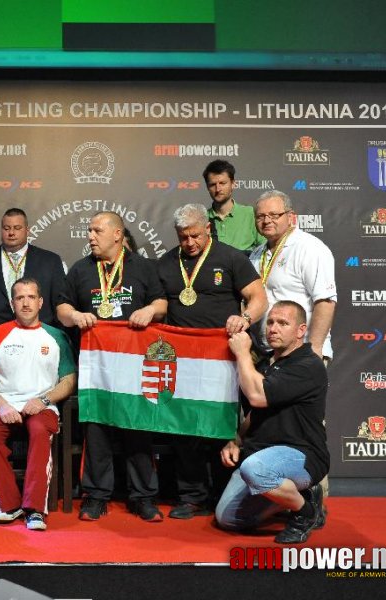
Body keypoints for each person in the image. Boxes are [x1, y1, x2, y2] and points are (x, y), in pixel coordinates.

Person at [55, 211, 168, 522]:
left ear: (117, 234)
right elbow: (62, 307)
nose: (90, 236)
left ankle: (143, 497)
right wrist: (75, 316)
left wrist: (149, 310)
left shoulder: (143, 267)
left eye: (96, 231)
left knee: (138, 429)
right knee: (97, 429)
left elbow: (162, 304)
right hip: (97, 368)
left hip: (136, 365)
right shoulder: (80, 270)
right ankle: (96, 496)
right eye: (89, 231)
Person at [157, 203, 267, 519]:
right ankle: (192, 496)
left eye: (194, 235)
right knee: (185, 429)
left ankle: (223, 493)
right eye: (182, 237)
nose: (189, 243)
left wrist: (244, 318)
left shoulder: (232, 257)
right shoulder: (166, 263)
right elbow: (161, 304)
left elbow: (259, 297)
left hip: (223, 359)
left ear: (207, 227)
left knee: (222, 426)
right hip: (184, 361)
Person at [216, 301, 328, 544]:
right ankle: (298, 494)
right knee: (228, 518)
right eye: (270, 322)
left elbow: (258, 397)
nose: (273, 329)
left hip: (301, 454)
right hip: (262, 454)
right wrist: (235, 440)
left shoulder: (308, 365)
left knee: (254, 470)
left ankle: (305, 511)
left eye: (283, 323)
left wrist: (243, 353)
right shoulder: (265, 363)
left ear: (300, 330)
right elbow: (252, 415)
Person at [0, 277, 77, 531]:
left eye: (31, 297)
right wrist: (2, 405)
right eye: (20, 298)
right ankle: (7, 505)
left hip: (43, 407)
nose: (26, 303)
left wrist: (43, 400)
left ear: (40, 302)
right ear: (12, 303)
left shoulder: (56, 337)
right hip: (5, 405)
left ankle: (34, 510)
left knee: (39, 431)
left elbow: (68, 381)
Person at [249, 190, 337, 362]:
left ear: (290, 216)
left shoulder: (310, 248)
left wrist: (314, 350)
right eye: (260, 216)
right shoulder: (256, 254)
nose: (267, 221)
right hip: (265, 353)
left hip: (300, 352)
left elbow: (325, 301)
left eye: (274, 215)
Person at [0, 208, 66, 329]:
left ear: (27, 231)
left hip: (40, 338)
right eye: (6, 228)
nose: (11, 233)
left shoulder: (51, 261)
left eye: (17, 228)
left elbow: (61, 304)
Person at [203, 160, 264, 254]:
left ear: (233, 184)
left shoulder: (250, 214)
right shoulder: (202, 219)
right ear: (207, 187)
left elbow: (265, 250)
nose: (218, 189)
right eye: (212, 185)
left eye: (222, 183)